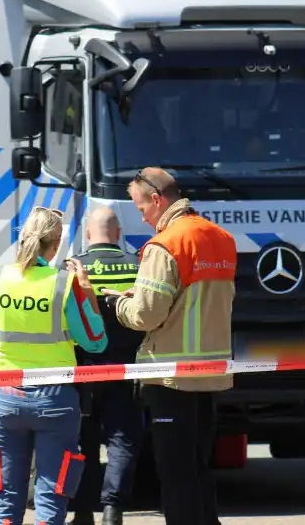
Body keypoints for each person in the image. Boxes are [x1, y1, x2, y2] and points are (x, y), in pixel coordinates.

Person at [106, 168, 236, 525]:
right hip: (211, 375)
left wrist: (119, 304)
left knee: (176, 478)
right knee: (198, 469)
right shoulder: (221, 237)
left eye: (140, 207)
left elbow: (146, 315)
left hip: (170, 378)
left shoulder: (166, 244)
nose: (142, 216)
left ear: (157, 200)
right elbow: (200, 300)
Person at [0, 206, 109, 525]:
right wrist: (87, 293)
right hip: (55, 400)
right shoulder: (64, 283)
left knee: (6, 503)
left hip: (6, 397)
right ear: (57, 241)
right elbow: (96, 341)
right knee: (50, 502)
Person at [69, 207, 145, 525]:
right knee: (122, 436)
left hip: (83, 365)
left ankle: (83, 512)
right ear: (118, 233)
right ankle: (113, 511)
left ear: (88, 235)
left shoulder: (73, 267)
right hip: (127, 364)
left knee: (83, 437)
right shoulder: (136, 265)